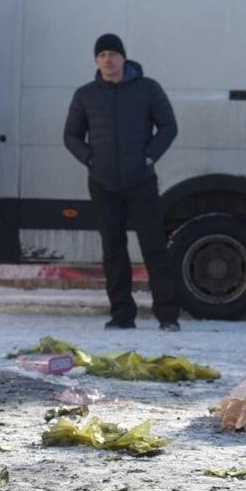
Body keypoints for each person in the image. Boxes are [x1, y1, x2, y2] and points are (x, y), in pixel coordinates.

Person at [64, 33, 181, 331]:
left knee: (154, 247)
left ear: (124, 58)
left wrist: (148, 157)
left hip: (140, 180)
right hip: (103, 183)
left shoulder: (147, 89)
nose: (108, 60)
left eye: (113, 54)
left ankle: (167, 316)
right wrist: (90, 159)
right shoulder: (86, 95)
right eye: (102, 55)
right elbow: (71, 135)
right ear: (96, 60)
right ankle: (121, 315)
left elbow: (168, 127)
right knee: (113, 250)